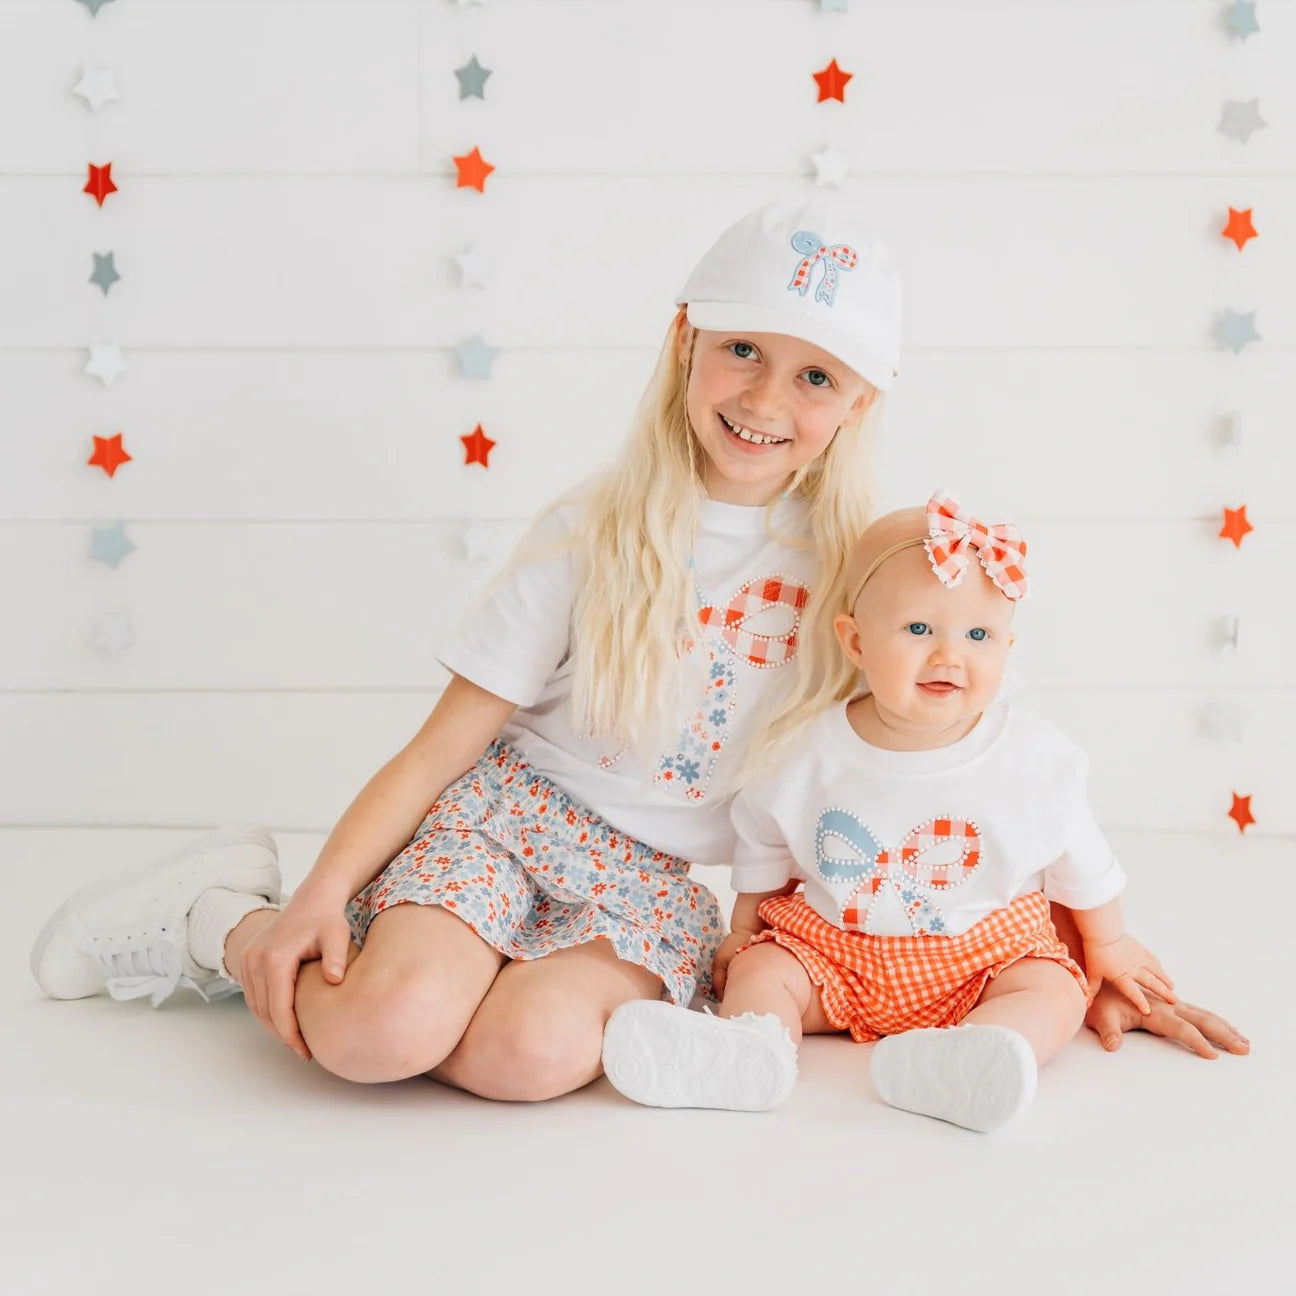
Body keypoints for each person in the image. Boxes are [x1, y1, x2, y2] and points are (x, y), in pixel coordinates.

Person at [29, 201, 1246, 1101]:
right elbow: (435, 750)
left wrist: (1101, 945)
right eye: (742, 351)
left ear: (859, 403)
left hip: (658, 887)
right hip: (508, 818)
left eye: (816, 374)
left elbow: (971, 738)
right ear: (684, 344)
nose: (769, 396)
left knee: (527, 1059)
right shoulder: (592, 532)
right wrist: (316, 898)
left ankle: (462, 977)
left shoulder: (865, 571)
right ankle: (215, 913)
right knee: (381, 1035)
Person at [601, 493, 1247, 1129]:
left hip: (983, 960)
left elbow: (1083, 862)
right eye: (918, 630)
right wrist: (743, 933)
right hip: (836, 955)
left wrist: (1108, 944)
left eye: (978, 635)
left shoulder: (1033, 758)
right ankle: (749, 1052)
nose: (949, 655)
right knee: (765, 970)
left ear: (1007, 647)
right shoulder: (807, 749)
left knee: (1053, 991)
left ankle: (972, 1061)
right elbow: (764, 845)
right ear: (854, 641)